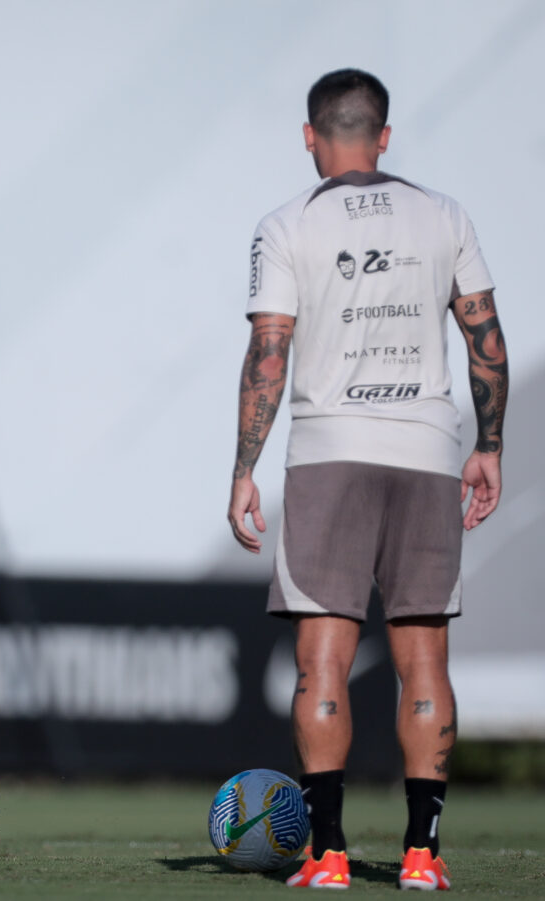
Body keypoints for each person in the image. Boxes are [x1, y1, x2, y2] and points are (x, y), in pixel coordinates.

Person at [227, 70, 507, 891]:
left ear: (310, 137)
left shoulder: (287, 223)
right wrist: (489, 442)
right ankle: (422, 854)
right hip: (426, 451)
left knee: (323, 663)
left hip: (328, 456)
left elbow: (267, 354)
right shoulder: (444, 213)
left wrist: (244, 466)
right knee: (426, 661)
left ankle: (330, 854)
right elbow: (487, 343)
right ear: (384, 136)